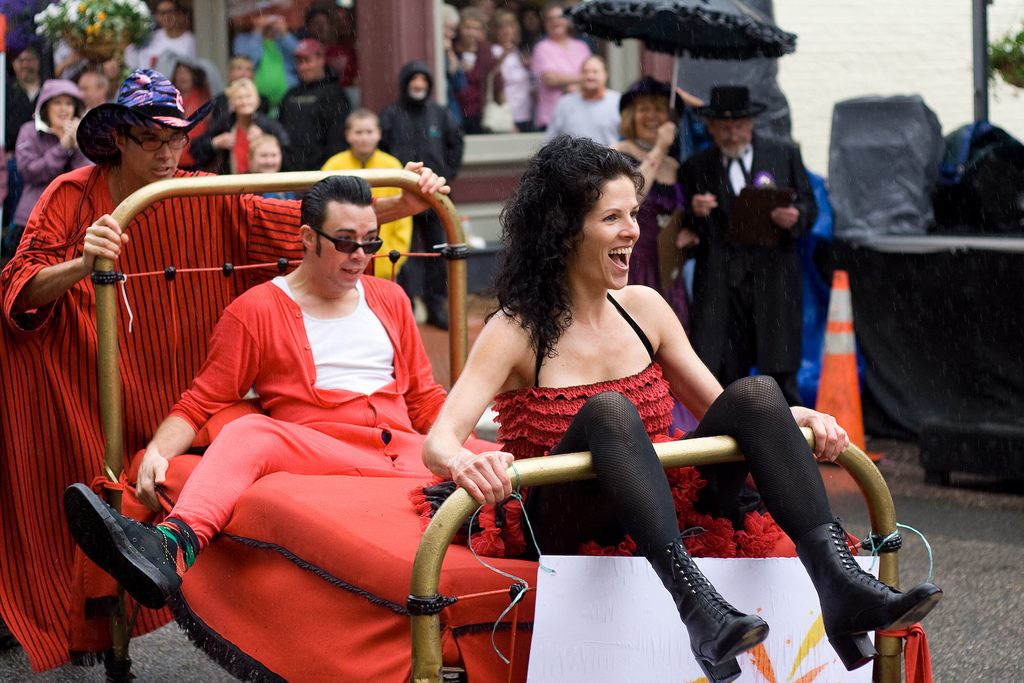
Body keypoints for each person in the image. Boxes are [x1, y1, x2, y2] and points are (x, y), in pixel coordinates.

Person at [420, 135, 942, 682]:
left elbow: (725, 407)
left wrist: (797, 417)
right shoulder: (515, 328)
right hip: (565, 518)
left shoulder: (645, 305)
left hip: (660, 500)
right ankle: (696, 605)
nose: (634, 232)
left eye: (635, 215)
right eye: (612, 218)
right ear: (565, 230)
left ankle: (840, 586)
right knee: (609, 411)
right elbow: (440, 443)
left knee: (760, 393)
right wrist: (464, 463)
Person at [0, 68, 449, 671]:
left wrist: (405, 202)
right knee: (75, 495)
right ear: (119, 141)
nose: (167, 152)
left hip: (193, 376)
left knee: (236, 432)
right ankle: (97, 614)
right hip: (89, 379)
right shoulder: (71, 196)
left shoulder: (205, 195)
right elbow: (19, 288)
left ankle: (162, 558)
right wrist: (83, 263)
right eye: (152, 138)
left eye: (177, 138)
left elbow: (295, 223)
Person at [63, 175, 492, 610]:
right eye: (345, 242)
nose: (360, 256)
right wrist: (157, 451)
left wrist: (472, 446)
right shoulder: (257, 309)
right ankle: (170, 547)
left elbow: (423, 399)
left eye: (371, 243)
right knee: (253, 430)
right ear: (307, 238)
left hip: (403, 450)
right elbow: (200, 402)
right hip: (320, 449)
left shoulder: (391, 298)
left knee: (505, 458)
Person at [679, 86, 816, 406]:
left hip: (773, 276)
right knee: (721, 371)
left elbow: (811, 207)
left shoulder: (783, 153)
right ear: (711, 127)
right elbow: (683, 226)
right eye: (724, 126)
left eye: (739, 124)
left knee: (780, 369)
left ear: (751, 124)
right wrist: (694, 212)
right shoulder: (696, 167)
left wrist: (794, 217)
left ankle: (788, 446)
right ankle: (727, 449)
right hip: (720, 283)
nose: (732, 132)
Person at [380, 61, 464, 330]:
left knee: (438, 250)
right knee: (401, 251)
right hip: (401, 196)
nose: (418, 85)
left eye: (423, 81)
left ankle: (435, 304)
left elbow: (456, 143)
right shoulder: (391, 115)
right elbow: (381, 150)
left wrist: (446, 173)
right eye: (413, 80)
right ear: (405, 84)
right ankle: (407, 306)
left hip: (434, 196)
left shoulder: (440, 114)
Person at [613, 77, 693, 327]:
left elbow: (681, 211)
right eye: (643, 109)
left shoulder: (675, 166)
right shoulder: (617, 153)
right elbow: (631, 197)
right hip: (634, 260)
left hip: (668, 263)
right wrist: (659, 148)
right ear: (630, 116)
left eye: (659, 109)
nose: (652, 116)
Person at [4, 80, 92, 260]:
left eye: (69, 103)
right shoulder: (29, 131)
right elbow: (31, 171)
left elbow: (87, 178)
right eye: (57, 102)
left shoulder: (82, 134)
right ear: (45, 106)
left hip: (71, 225)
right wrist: (62, 148)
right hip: (31, 222)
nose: (63, 109)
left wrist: (77, 146)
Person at [322, 109, 412, 278]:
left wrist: (395, 256)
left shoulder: (392, 167)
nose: (364, 138)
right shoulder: (333, 166)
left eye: (369, 132)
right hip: (343, 259)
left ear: (378, 133)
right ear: (348, 135)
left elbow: (403, 219)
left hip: (385, 260)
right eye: (358, 132)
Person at [278, 39, 351, 171]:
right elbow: (280, 129)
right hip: (290, 172)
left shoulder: (334, 93)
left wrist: (327, 170)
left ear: (321, 60)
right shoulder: (290, 95)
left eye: (307, 61)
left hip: (321, 171)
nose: (303, 67)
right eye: (299, 62)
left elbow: (337, 138)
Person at [190, 78, 289, 175]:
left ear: (257, 101)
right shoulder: (225, 123)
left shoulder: (268, 124)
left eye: (248, 96)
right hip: (234, 184)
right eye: (239, 97)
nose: (244, 101)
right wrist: (215, 143)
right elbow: (195, 149)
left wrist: (266, 138)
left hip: (263, 184)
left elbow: (288, 153)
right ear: (232, 103)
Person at [530, 1, 591, 130]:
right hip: (551, 116)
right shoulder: (542, 48)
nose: (555, 22)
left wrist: (566, 80)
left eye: (559, 17)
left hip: (581, 113)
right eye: (550, 19)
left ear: (568, 20)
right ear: (545, 24)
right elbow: (550, 79)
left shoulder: (581, 46)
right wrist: (580, 78)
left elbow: (591, 74)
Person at [544, 55, 620, 146]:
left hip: (609, 159)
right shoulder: (565, 103)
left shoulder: (618, 102)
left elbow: (628, 139)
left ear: (605, 75)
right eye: (585, 72)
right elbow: (550, 140)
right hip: (572, 160)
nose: (590, 76)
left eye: (595, 72)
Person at [232, 13, 299, 110]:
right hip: (255, 102)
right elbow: (246, 61)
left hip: (287, 102)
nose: (269, 25)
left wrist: (285, 34)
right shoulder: (243, 40)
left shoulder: (283, 41)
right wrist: (257, 32)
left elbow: (299, 56)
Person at [452, 7, 500, 135]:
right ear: (459, 28)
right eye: (467, 27)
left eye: (476, 28)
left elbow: (497, 83)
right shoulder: (451, 49)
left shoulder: (485, 51)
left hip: (479, 113)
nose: (471, 32)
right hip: (455, 112)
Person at [491, 10, 534, 133]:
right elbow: (496, 84)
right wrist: (508, 120)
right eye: (502, 27)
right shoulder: (494, 51)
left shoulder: (516, 51)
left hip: (525, 113)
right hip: (509, 116)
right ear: (495, 31)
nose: (507, 31)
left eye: (510, 26)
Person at [125, 0, 196, 70]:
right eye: (162, 13)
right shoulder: (151, 38)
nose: (167, 16)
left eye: (171, 11)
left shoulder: (191, 40)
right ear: (156, 16)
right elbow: (133, 63)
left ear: (179, 13)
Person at [208, 54, 271, 123]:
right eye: (239, 68)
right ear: (230, 73)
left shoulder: (263, 101)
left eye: (248, 69)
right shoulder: (219, 101)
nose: (243, 73)